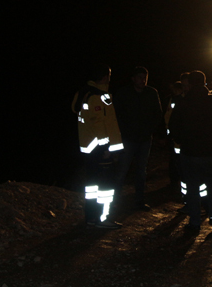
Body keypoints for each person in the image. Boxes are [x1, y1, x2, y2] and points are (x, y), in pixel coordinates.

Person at [169, 70, 212, 231]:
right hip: (209, 149)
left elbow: (173, 125)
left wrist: (181, 140)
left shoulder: (183, 102)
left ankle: (195, 222)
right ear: (204, 82)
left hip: (190, 151)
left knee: (193, 187)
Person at [71, 64, 124, 229]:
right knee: (104, 186)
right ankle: (102, 218)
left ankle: (91, 218)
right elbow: (99, 124)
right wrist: (106, 148)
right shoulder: (97, 96)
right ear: (103, 77)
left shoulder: (84, 93)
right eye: (108, 74)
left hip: (89, 148)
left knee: (92, 186)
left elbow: (75, 110)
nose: (110, 78)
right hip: (100, 150)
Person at [114, 66, 162, 211]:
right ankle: (115, 202)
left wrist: (151, 130)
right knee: (122, 170)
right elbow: (117, 114)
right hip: (128, 138)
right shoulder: (123, 93)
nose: (143, 80)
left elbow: (157, 114)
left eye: (145, 77)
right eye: (140, 77)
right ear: (133, 79)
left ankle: (139, 201)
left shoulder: (152, 93)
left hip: (144, 139)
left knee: (141, 171)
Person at [164, 81, 185, 194]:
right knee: (174, 159)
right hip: (173, 136)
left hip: (178, 136)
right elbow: (167, 116)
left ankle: (179, 180)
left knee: (178, 159)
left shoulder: (181, 100)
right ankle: (175, 180)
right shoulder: (171, 99)